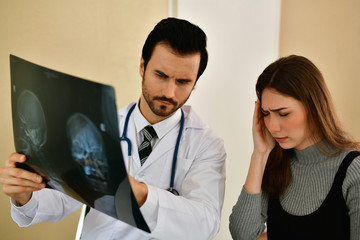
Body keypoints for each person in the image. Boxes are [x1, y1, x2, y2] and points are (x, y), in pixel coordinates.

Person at [0, 17, 226, 239]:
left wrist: (141, 194)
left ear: (195, 82)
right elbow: (64, 196)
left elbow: (205, 224)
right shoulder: (105, 125)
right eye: (161, 75)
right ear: (142, 66)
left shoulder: (206, 144)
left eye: (183, 82)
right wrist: (25, 195)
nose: (169, 92)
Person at [229, 55, 360, 240]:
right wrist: (259, 153)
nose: (273, 126)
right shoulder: (275, 163)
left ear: (314, 107)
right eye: (266, 114)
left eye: (283, 113)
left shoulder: (353, 170)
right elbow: (243, 235)